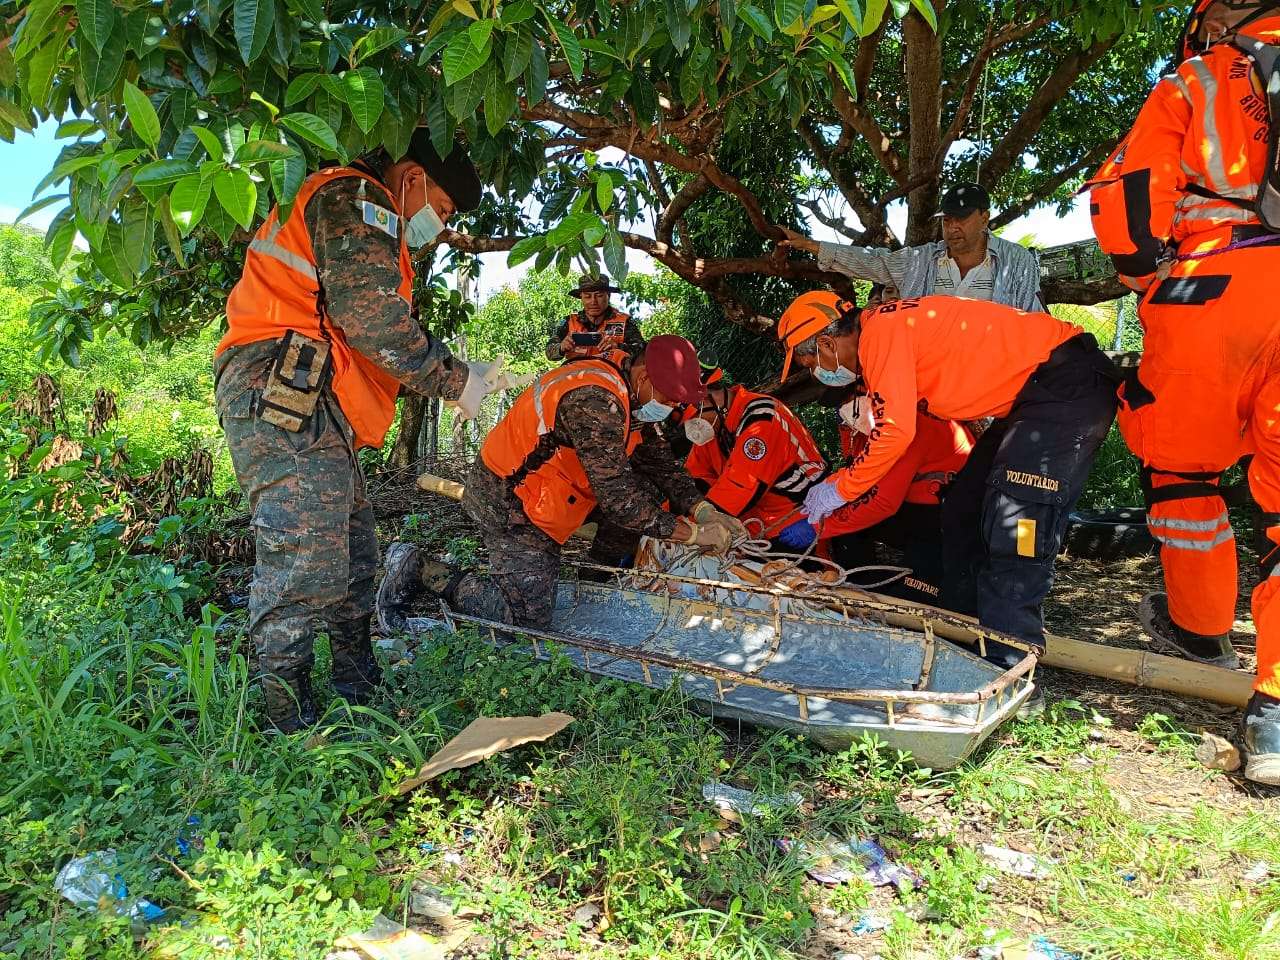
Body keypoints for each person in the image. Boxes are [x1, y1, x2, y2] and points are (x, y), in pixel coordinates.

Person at [214, 130, 512, 732]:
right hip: (278, 381)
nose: (442, 227)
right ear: (411, 179)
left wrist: (457, 375)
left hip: (308, 391)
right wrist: (457, 380)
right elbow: (373, 321)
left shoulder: (368, 214)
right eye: (442, 209)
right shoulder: (358, 198)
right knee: (304, 555)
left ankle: (356, 684)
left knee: (354, 551)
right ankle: (285, 721)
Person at [1086, 0, 1280, 782]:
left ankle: (1200, 632)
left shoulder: (1201, 78)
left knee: (1180, 469)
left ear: (1228, 10)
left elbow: (1127, 195)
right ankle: (1274, 713)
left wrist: (1144, 275)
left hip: (1217, 283)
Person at [777, 293, 1119, 656]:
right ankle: (964, 630)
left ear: (827, 343)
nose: (816, 372)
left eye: (811, 362)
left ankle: (1012, 657)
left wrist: (839, 491)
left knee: (1018, 520)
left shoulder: (880, 336)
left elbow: (894, 433)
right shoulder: (884, 330)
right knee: (964, 506)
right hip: (1032, 398)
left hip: (1064, 385)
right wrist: (834, 486)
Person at [435, 336, 746, 629]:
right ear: (644, 377)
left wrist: (704, 510)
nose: (672, 408)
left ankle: (593, 582)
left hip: (550, 491)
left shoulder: (632, 396)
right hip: (509, 498)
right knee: (524, 622)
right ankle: (432, 573)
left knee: (646, 493)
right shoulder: (595, 400)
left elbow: (660, 462)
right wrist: (693, 535)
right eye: (670, 398)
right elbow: (618, 499)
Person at [775, 292, 973, 603]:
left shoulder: (904, 417)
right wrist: (827, 495)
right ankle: (858, 581)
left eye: (812, 362)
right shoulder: (866, 421)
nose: (816, 371)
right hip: (916, 499)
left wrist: (818, 527)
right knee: (849, 534)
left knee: (921, 595)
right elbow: (859, 468)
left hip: (945, 509)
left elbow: (883, 500)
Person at [778, 183, 1044, 312]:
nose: (952, 227)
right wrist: (811, 245)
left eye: (961, 219)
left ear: (984, 218)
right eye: (947, 220)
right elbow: (872, 261)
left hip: (994, 381)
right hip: (931, 380)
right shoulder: (922, 260)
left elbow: (1033, 322)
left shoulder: (1017, 261)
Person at [681, 369, 827, 547]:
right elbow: (692, 479)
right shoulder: (714, 429)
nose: (692, 427)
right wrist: (674, 520)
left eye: (693, 418)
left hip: (798, 516)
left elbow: (742, 485)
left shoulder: (761, 418)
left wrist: (689, 531)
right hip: (758, 523)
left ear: (707, 400)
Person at [545, 273, 646, 362]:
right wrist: (561, 347)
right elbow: (549, 352)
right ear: (581, 297)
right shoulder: (568, 321)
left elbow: (642, 350)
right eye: (587, 296)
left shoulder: (625, 321)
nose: (593, 301)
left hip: (612, 374)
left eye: (599, 295)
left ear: (608, 296)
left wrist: (617, 346)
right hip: (576, 373)